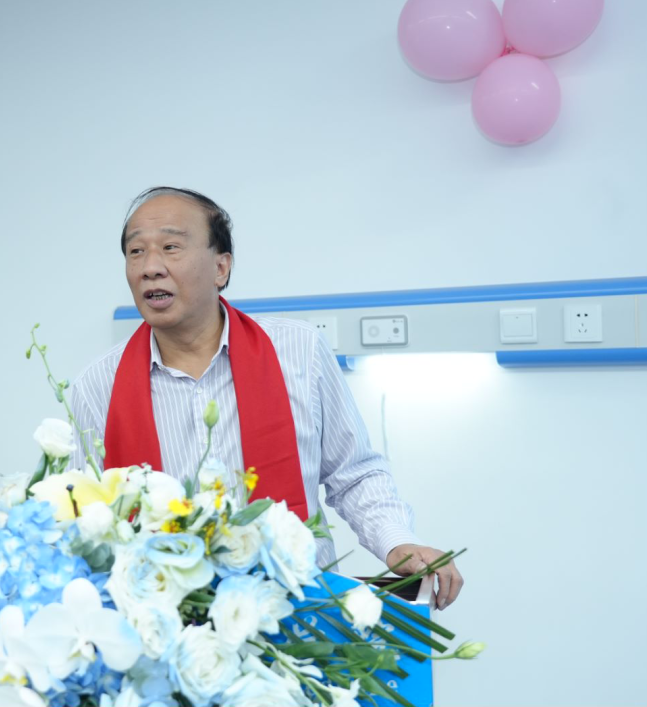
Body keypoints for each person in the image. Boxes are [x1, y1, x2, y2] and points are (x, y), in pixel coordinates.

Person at [71, 187, 464, 609]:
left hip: (300, 613)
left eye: (170, 247)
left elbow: (353, 473)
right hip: (166, 620)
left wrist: (397, 541)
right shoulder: (98, 385)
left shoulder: (299, 351)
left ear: (221, 267)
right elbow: (84, 517)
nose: (150, 268)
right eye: (136, 252)